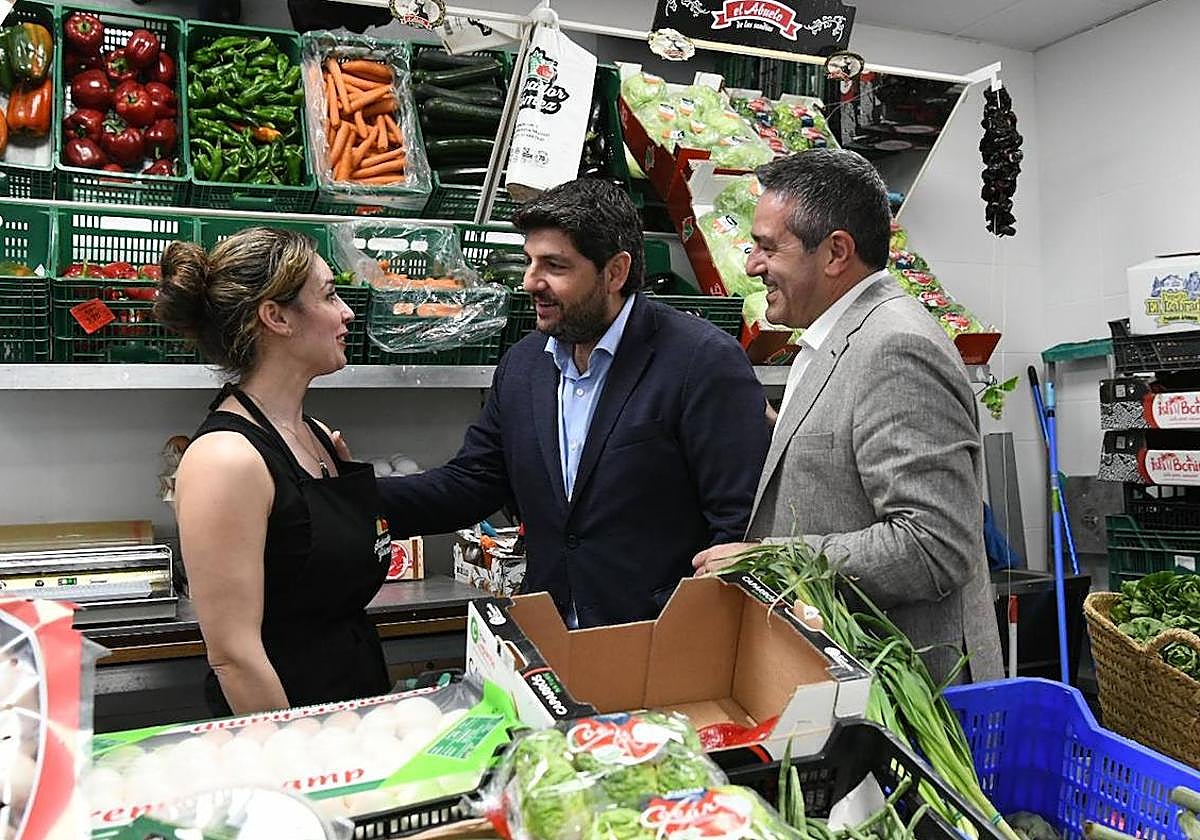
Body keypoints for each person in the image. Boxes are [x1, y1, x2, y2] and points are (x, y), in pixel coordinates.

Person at [379, 179, 770, 628]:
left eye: (555, 266)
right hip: (550, 633)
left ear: (615, 272)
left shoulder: (700, 360)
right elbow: (472, 483)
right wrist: (349, 495)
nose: (530, 282)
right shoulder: (524, 366)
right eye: (529, 262)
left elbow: (739, 524)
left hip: (659, 642)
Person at [692, 150, 1003, 685]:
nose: (750, 265)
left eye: (768, 247)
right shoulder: (831, 338)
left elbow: (932, 545)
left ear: (836, 252)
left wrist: (769, 562)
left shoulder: (896, 346)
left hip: (908, 693)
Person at [156, 228, 392, 716]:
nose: (348, 312)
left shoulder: (319, 438)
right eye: (329, 295)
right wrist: (297, 761)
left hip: (356, 713)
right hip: (284, 737)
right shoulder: (226, 458)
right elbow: (234, 658)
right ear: (276, 316)